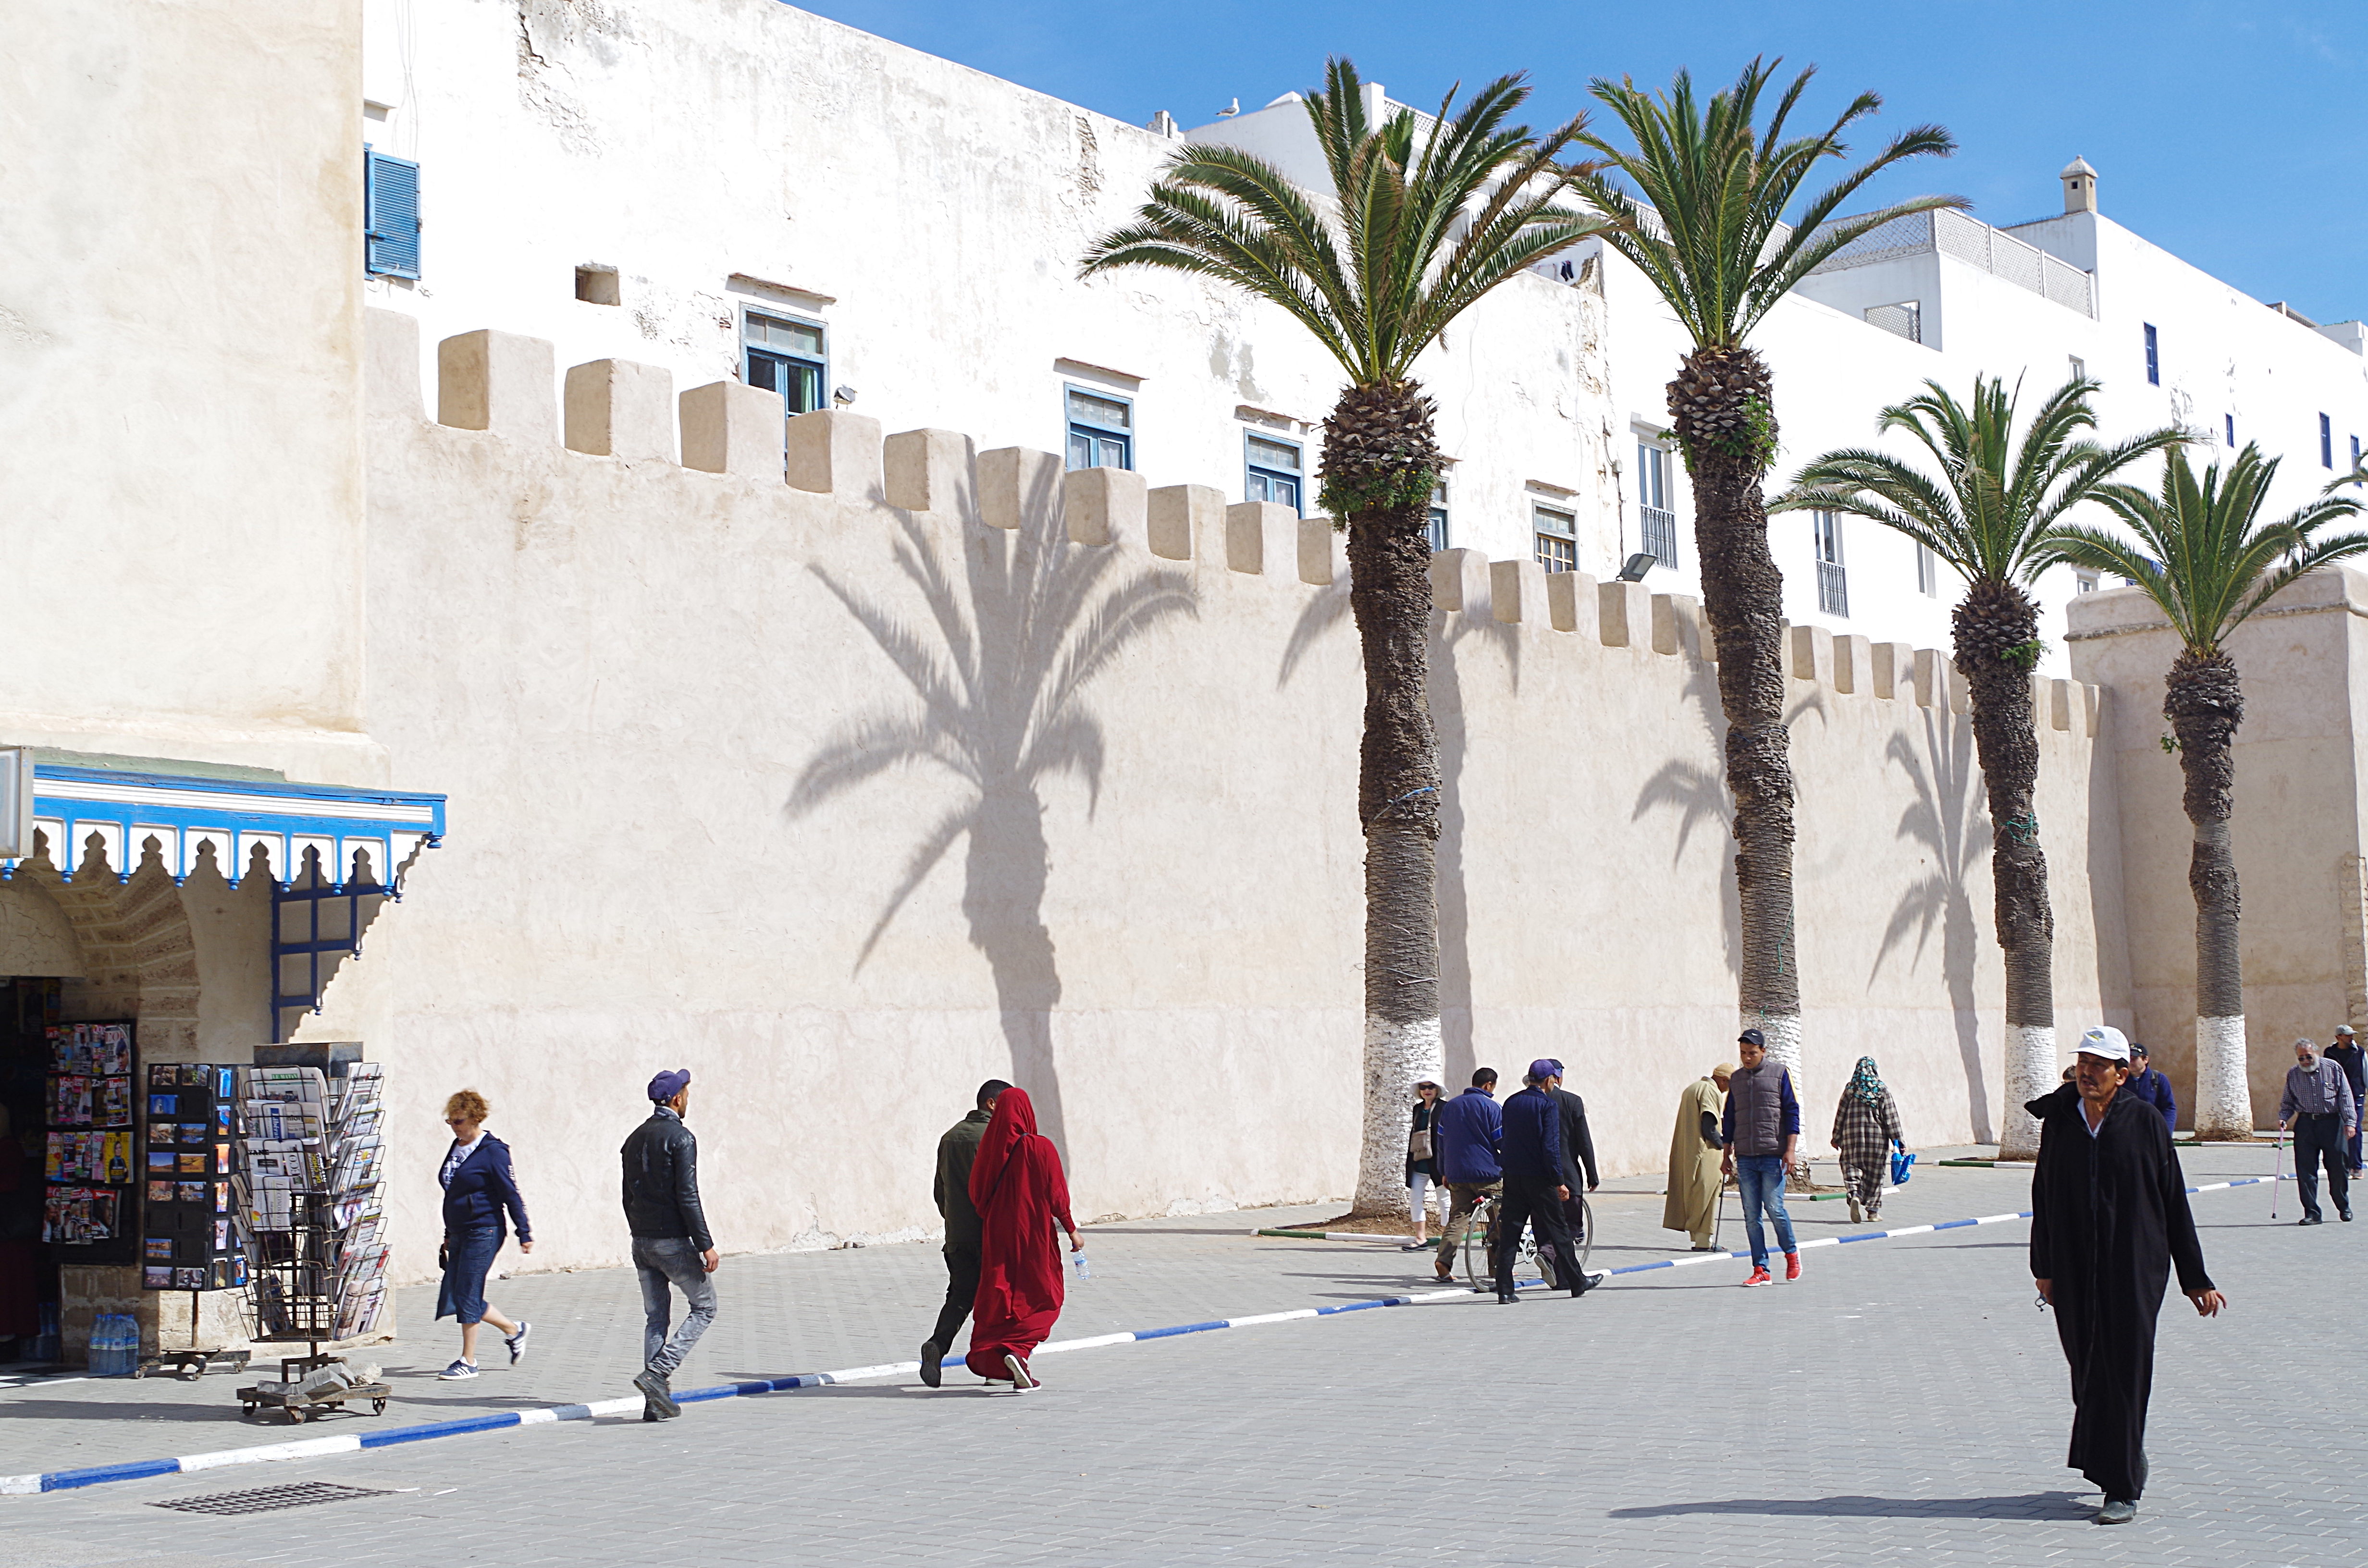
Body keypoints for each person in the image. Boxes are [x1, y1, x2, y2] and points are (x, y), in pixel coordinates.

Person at [2029, 1025, 2223, 1526]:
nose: (2087, 1073)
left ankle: (2121, 1486)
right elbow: (2042, 1197)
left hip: (2134, 1266)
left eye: (2098, 1066)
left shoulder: (2144, 1123)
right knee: (2085, 1367)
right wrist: (2043, 1268)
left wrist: (2194, 1277)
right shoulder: (2060, 1122)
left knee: (2125, 1368)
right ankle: (2119, 1458)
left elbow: (2172, 1200)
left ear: (2121, 1074)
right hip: (2073, 1267)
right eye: (2082, 1063)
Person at [965, 1087, 1080, 1390]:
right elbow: (1057, 1195)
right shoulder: (1040, 1147)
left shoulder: (989, 1151)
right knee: (1045, 1295)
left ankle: (994, 1364)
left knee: (1000, 1293)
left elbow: (976, 1194)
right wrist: (1072, 1230)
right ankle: (1019, 1352)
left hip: (997, 1234)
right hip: (1033, 1236)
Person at [622, 1068, 717, 1421]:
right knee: (705, 1306)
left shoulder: (633, 1139)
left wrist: (638, 1233)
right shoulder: (681, 1138)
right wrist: (705, 1244)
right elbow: (688, 1196)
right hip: (672, 1242)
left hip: (642, 1243)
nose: (688, 1099)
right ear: (677, 1098)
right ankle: (658, 1373)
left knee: (656, 1318)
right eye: (687, 1093)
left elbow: (626, 1196)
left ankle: (655, 1403)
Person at [434, 1089, 533, 1382]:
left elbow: (510, 1194)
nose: (455, 1127)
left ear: (476, 1118)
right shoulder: (457, 1147)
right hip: (461, 1231)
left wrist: (524, 1231)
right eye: (450, 1122)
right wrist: (449, 1233)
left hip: (485, 1229)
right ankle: (513, 1330)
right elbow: (454, 1193)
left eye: (460, 1121)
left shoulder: (494, 1152)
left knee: (467, 1293)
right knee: (461, 1292)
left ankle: (469, 1361)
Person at [920, 1078, 1011, 1387]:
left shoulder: (950, 1137)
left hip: (958, 1237)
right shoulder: (996, 1138)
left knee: (960, 1296)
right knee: (998, 1297)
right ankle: (992, 1367)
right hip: (990, 1235)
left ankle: (938, 1345)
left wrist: (955, 1222)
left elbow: (940, 1189)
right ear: (993, 1104)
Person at [1491, 1063, 1600, 1302]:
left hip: (1513, 1176)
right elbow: (1550, 1148)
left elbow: (1506, 1138)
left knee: (1511, 1233)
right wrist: (1559, 1181)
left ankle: (1505, 1290)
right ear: (1550, 1080)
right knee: (1560, 1230)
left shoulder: (1511, 1102)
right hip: (1539, 1179)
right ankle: (1577, 1281)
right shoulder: (1547, 1105)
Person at [1720, 1029, 1801, 1287]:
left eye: (1752, 1053)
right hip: (1745, 1157)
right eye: (1743, 1053)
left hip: (1773, 1155)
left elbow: (1792, 1112)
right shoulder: (1736, 1080)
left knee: (1774, 1208)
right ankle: (1761, 1269)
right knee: (1751, 1216)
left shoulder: (1780, 1074)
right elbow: (1729, 1118)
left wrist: (1790, 1150)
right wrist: (1726, 1153)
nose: (1747, 1058)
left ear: (1763, 1051)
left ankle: (1791, 1253)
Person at [1428, 1068, 1503, 1285]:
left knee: (1458, 1218)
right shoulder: (1492, 1108)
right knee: (1499, 1220)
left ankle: (1444, 1261)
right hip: (1488, 1174)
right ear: (1489, 1085)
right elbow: (1500, 1140)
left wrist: (1444, 1171)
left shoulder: (1450, 1107)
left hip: (1456, 1174)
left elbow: (1441, 1142)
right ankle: (1497, 1267)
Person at [2277, 1038, 2357, 1225]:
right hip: (2306, 1124)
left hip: (2332, 1123)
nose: (2305, 1061)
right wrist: (2283, 1117)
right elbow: (2288, 1101)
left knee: (2338, 1168)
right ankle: (2312, 1213)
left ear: (2316, 1053)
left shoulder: (2334, 1068)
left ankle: (2343, 1206)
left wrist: (2350, 1123)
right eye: (2301, 1058)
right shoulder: (2294, 1074)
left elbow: (2345, 1097)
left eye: (2308, 1057)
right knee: (2305, 1171)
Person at [1663, 1065, 1731, 1250]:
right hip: (1706, 1152)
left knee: (1696, 1194)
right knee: (1707, 1196)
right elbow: (1709, 1127)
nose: (1727, 1090)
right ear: (1723, 1080)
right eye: (1729, 1085)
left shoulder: (1692, 1088)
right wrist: (1724, 1146)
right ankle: (1703, 1242)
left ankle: (1701, 1240)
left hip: (1689, 1151)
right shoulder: (1711, 1091)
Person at [1829, 1056, 1902, 1225]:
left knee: (1851, 1167)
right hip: (1877, 1140)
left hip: (1851, 1138)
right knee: (1875, 1174)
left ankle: (1855, 1194)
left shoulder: (1850, 1090)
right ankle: (1873, 1212)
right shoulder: (1881, 1090)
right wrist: (1899, 1141)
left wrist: (1836, 1137)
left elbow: (1841, 1115)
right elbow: (1891, 1118)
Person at [1540, 1060, 1600, 1251]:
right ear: (1556, 1078)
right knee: (1572, 1225)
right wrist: (1592, 1175)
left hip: (1535, 1175)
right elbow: (1584, 1141)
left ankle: (1552, 1263)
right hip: (1567, 1175)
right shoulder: (1572, 1101)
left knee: (1542, 1222)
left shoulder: (1526, 1101)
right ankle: (1548, 1254)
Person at [1403, 1080, 1445, 1250]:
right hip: (1419, 1160)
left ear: (1437, 1089)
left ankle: (1446, 1239)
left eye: (1431, 1087)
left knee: (1444, 1201)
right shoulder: (1418, 1109)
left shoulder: (1445, 1108)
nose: (1427, 1091)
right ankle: (1420, 1237)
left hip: (1439, 1162)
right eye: (1423, 1088)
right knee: (1415, 1200)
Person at [2325, 1025, 2367, 1175]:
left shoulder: (2359, 1052)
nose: (2351, 1037)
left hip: (2357, 1096)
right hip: (2337, 1097)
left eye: (2352, 1035)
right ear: (2339, 1037)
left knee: (2354, 1129)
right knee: (2339, 1131)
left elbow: (2365, 1071)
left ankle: (2356, 1166)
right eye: (2347, 1035)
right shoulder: (2330, 1053)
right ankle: (2343, 1164)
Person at [2123, 1043, 2177, 1137]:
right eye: (2128, 1059)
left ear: (2146, 1060)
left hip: (2152, 1133)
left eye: (2134, 1059)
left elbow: (2169, 1108)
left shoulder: (2158, 1079)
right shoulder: (2121, 1080)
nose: (2130, 1062)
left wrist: (2166, 1134)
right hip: (2127, 1133)